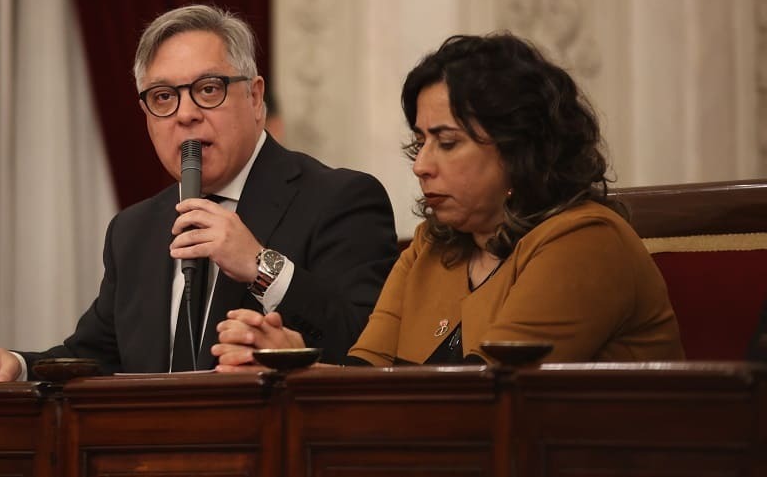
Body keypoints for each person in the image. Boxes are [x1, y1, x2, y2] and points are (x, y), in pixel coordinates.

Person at [0, 4, 398, 380]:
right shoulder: (134, 229)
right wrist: (17, 365)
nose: (185, 114)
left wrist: (260, 265)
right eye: (164, 97)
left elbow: (368, 346)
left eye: (208, 90)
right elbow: (97, 355)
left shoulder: (341, 199)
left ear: (256, 97)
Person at [214, 33, 684, 367]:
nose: (421, 164)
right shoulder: (430, 248)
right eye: (421, 141)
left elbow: (483, 402)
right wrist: (291, 358)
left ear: (519, 150)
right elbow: (363, 383)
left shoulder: (585, 241)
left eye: (447, 141)